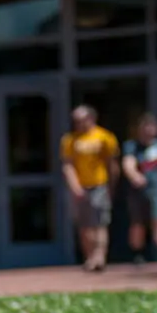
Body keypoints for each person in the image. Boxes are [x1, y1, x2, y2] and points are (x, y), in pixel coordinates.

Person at [60, 105, 120, 272]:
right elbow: (68, 165)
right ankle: (90, 257)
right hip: (80, 187)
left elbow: (112, 164)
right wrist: (75, 186)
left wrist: (111, 186)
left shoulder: (104, 137)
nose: (78, 124)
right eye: (76, 121)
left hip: (99, 184)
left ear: (91, 119)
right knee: (85, 225)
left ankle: (100, 257)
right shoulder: (69, 140)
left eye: (81, 120)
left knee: (100, 223)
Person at [121, 112, 157, 264]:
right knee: (137, 223)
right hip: (137, 192)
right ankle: (137, 254)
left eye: (151, 126)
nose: (148, 130)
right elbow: (128, 163)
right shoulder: (131, 146)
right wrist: (135, 176)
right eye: (145, 127)